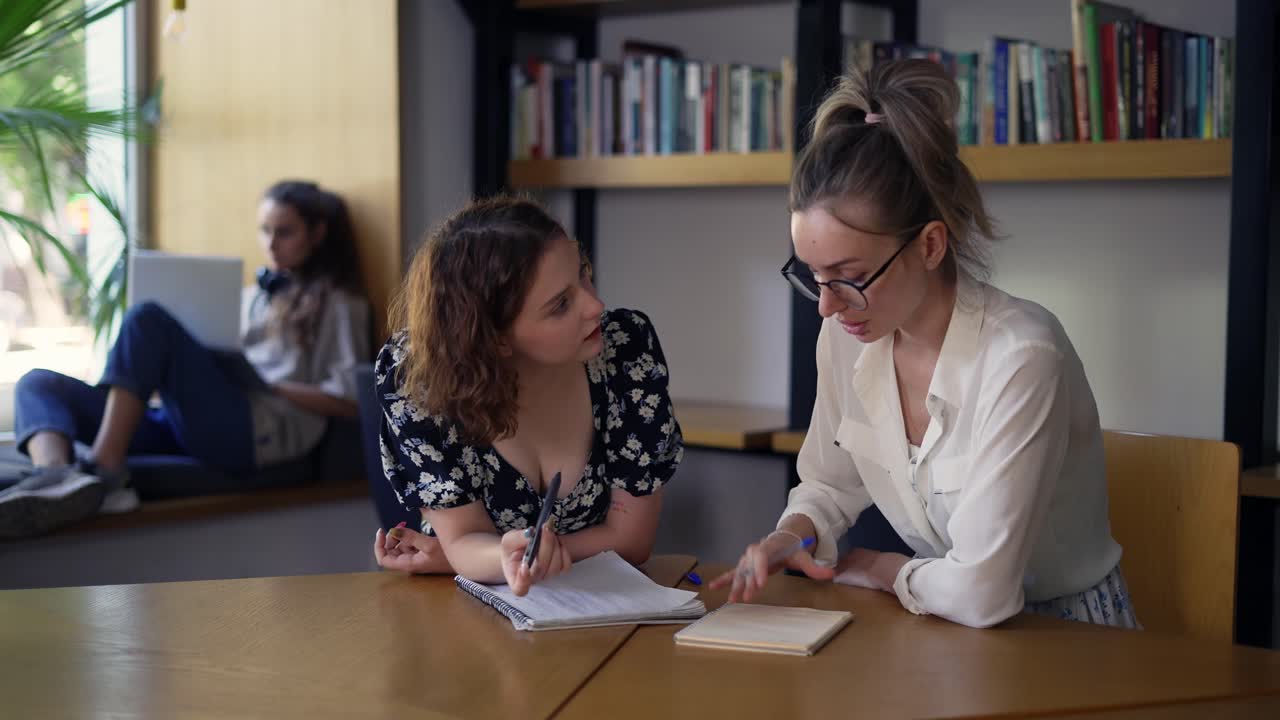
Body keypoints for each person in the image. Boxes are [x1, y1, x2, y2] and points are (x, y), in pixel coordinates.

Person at [712, 60, 1137, 630]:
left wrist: (885, 568)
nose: (826, 306)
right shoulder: (845, 336)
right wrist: (793, 534)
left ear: (931, 245)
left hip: (1062, 632)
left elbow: (984, 592)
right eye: (811, 276)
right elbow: (829, 482)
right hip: (942, 621)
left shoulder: (1021, 357)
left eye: (849, 276)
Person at [2, 180, 370, 538]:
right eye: (264, 230)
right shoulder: (252, 296)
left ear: (317, 233)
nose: (270, 245)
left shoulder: (340, 305)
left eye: (284, 232)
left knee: (146, 320)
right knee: (39, 382)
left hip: (255, 430)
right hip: (194, 419)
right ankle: (57, 483)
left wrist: (269, 385)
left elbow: (352, 402)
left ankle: (106, 469)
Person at [373, 196, 683, 596]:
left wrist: (467, 558)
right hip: (461, 613)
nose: (596, 305)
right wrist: (485, 556)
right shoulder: (417, 378)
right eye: (560, 305)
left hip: (599, 608)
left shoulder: (625, 348)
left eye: (583, 274)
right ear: (495, 338)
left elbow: (633, 542)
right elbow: (465, 536)